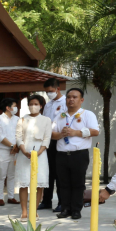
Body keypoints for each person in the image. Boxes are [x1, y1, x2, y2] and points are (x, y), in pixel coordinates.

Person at [52, 88, 99, 220]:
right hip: (61, 154)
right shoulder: (60, 116)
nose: (71, 99)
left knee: (78, 183)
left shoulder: (87, 114)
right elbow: (52, 134)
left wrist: (76, 133)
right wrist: (61, 134)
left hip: (79, 154)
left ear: (81, 100)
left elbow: (95, 131)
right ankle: (65, 208)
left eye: (74, 97)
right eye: (68, 97)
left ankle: (76, 210)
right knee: (63, 183)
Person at [15, 95, 52, 221]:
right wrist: (24, 150)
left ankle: (34, 211)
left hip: (40, 154)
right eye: (31, 104)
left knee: (38, 184)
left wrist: (39, 152)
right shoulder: (22, 119)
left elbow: (47, 138)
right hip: (24, 153)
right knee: (24, 183)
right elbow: (18, 137)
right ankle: (24, 211)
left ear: (41, 106)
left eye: (36, 104)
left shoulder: (46, 120)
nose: (33, 106)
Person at [39, 78, 67, 211]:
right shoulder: (48, 105)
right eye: (47, 92)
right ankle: (46, 201)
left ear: (57, 89)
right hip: (48, 141)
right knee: (47, 172)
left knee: (60, 173)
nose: (49, 94)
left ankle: (62, 202)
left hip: (61, 141)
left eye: (50, 91)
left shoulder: (66, 102)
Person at [0, 97, 20, 206]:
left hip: (15, 151)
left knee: (12, 175)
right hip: (3, 150)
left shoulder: (17, 119)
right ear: (7, 107)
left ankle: (11, 196)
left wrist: (17, 146)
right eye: (14, 106)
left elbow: (20, 133)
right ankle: (0, 198)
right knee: (1, 175)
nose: (16, 108)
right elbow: (0, 136)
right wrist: (12, 145)